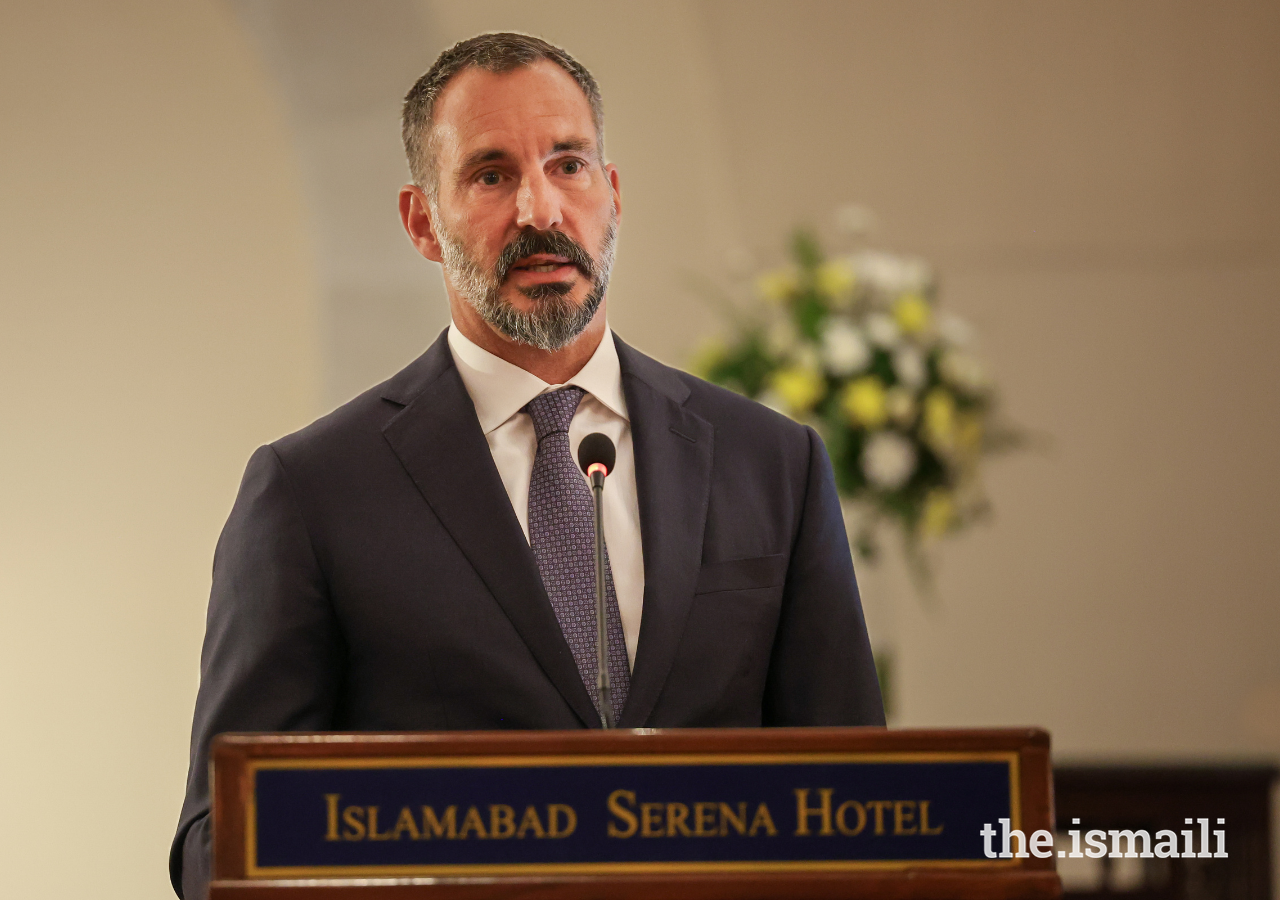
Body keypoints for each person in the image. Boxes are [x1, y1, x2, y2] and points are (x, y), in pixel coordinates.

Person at [170, 32, 883, 899]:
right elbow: (219, 842)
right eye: (491, 174)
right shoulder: (312, 492)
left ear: (613, 196)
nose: (540, 211)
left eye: (569, 165)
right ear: (421, 222)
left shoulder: (774, 463)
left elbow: (862, 800)